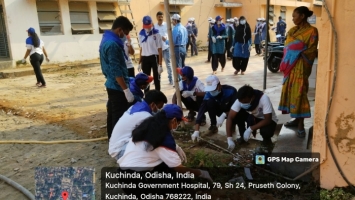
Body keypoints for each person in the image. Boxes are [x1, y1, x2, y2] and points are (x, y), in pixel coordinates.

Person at [118, 104, 213, 197]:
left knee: (165, 166)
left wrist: (175, 147)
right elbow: (180, 169)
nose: (178, 125)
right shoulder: (164, 139)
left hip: (124, 176)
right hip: (137, 183)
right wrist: (201, 173)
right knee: (183, 179)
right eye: (179, 122)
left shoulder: (148, 125)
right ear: (174, 120)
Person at [278, 6, 318, 138]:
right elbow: (286, 47)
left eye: (295, 16)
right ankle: (295, 119)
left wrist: (297, 50)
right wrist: (293, 50)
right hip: (290, 68)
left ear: (302, 16)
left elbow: (312, 51)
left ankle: (301, 124)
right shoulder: (292, 30)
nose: (293, 18)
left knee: (299, 94)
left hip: (301, 67)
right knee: (290, 92)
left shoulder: (312, 31)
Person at [99, 16, 134, 139]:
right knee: (119, 117)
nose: (125, 36)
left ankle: (112, 140)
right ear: (120, 30)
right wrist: (126, 90)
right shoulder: (113, 44)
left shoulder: (107, 39)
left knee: (113, 115)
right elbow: (116, 70)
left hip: (112, 84)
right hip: (117, 86)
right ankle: (117, 143)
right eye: (125, 33)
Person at [109, 90, 167, 161]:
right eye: (158, 107)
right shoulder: (145, 116)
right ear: (152, 104)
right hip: (120, 151)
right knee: (155, 151)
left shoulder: (137, 106)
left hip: (116, 146)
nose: (158, 110)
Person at [225, 85, 278, 151]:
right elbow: (230, 117)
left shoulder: (263, 98)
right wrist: (229, 138)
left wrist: (250, 129)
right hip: (254, 116)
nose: (242, 104)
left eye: (245, 102)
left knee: (266, 131)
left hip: (267, 119)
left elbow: (268, 119)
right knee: (237, 115)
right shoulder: (241, 100)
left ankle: (267, 140)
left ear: (252, 97)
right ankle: (243, 136)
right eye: (241, 102)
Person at [191, 75, 238, 141]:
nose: (212, 92)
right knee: (209, 102)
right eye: (210, 90)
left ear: (219, 86)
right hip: (219, 110)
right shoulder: (209, 94)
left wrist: (225, 114)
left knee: (236, 118)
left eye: (213, 89)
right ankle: (213, 126)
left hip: (231, 112)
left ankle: (233, 123)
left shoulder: (231, 91)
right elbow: (201, 109)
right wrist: (196, 130)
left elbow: (237, 108)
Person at [138, 16, 163, 93]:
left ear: (151, 23)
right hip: (145, 57)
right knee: (146, 78)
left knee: (157, 78)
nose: (147, 28)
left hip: (154, 57)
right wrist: (139, 62)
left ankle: (158, 94)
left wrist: (160, 64)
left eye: (149, 25)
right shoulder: (141, 34)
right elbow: (141, 49)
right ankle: (147, 95)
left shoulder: (156, 34)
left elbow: (160, 49)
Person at [155, 11, 173, 85]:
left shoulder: (166, 25)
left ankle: (170, 79)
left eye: (162, 17)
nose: (160, 18)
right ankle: (158, 79)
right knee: (158, 64)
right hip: (158, 48)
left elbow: (170, 33)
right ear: (157, 17)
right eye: (159, 17)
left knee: (168, 64)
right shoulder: (155, 26)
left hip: (166, 47)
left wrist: (166, 37)